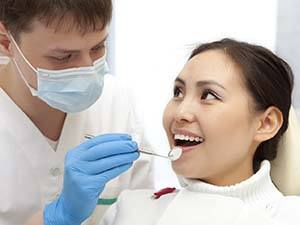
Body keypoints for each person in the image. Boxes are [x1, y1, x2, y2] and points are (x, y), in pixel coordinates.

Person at [99, 38, 300, 225]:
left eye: (209, 95)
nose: (180, 112)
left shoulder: (289, 217)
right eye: (178, 92)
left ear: (266, 123)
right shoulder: (129, 211)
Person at [0, 1, 155, 225]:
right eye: (64, 57)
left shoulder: (116, 101)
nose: (88, 70)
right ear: (6, 42)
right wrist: (56, 218)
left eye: (98, 47)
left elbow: (143, 212)